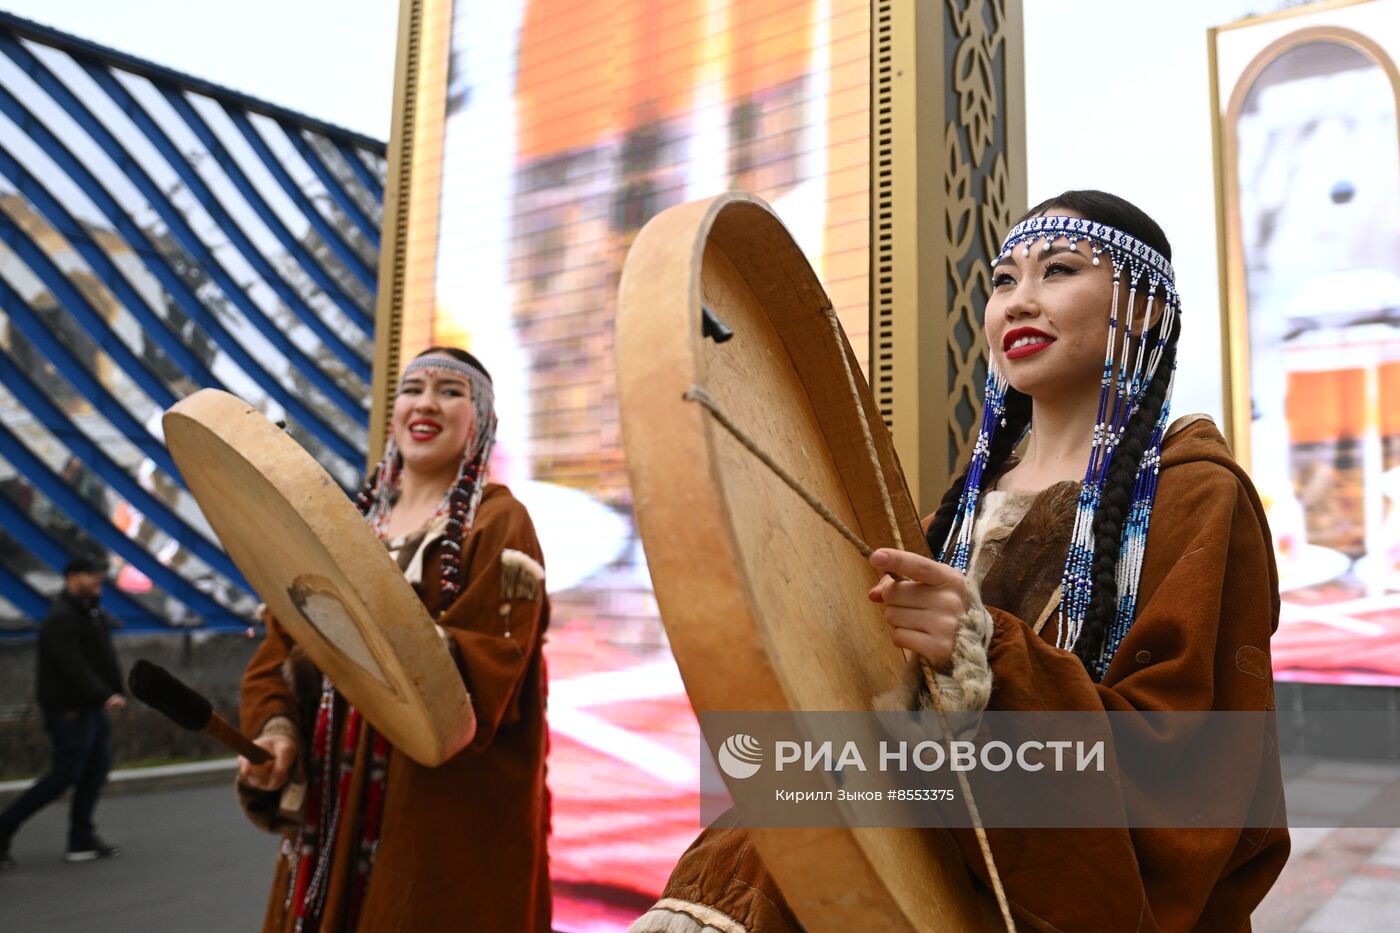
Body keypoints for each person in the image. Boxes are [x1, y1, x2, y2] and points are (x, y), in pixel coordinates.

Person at [629, 191, 1290, 932]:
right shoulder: (974, 495)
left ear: (1141, 311)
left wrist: (989, 658)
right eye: (1004, 281)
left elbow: (1193, 752)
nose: (1019, 302)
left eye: (1059, 271)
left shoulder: (1197, 492)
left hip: (1051, 883)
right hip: (920, 856)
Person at [236, 347, 552, 931]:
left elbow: (493, 670)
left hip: (435, 819)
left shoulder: (499, 524)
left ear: (479, 421)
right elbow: (276, 653)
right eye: (413, 389)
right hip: (332, 811)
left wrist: (361, 639)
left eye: (451, 392)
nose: (427, 402)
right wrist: (276, 731)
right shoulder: (342, 528)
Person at [0, 554, 127, 869]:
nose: (99, 579)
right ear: (72, 577)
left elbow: (102, 658)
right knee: (64, 775)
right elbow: (73, 666)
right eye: (91, 574)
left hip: (91, 708)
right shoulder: (62, 617)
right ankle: (4, 827)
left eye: (100, 574)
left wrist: (115, 691)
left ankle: (81, 838)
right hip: (69, 710)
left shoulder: (90, 612)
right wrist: (104, 694)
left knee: (96, 770)